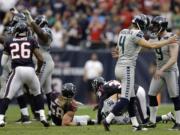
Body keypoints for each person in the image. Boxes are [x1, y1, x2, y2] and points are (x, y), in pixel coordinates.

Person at [102, 14, 178, 131]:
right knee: (126, 99)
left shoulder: (123, 31)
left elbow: (122, 48)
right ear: (140, 24)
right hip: (127, 68)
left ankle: (136, 125)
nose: (147, 28)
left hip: (120, 67)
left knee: (132, 98)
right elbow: (150, 45)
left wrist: (121, 54)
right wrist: (168, 41)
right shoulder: (137, 34)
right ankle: (107, 120)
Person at [0, 22, 49, 127]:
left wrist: (10, 69)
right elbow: (40, 58)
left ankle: (0, 119)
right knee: (37, 94)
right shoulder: (31, 40)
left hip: (17, 70)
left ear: (16, 31)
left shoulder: (9, 41)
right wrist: (38, 70)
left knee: (7, 96)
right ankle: (43, 117)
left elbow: (3, 62)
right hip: (30, 71)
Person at [92, 77, 175, 125]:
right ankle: (167, 116)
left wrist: (98, 121)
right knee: (141, 114)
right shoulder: (109, 83)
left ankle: (164, 117)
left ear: (98, 85)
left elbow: (101, 106)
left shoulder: (103, 88)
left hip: (135, 93)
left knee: (143, 121)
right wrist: (99, 105)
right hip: (136, 90)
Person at [146, 16, 180, 130]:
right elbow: (144, 46)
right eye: (154, 26)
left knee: (175, 96)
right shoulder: (154, 38)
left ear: (162, 27)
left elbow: (173, 59)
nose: (154, 28)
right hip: (160, 70)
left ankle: (179, 123)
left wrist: (161, 69)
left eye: (156, 26)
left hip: (171, 70)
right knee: (151, 94)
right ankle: (152, 121)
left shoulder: (172, 37)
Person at [24, 10, 54, 119]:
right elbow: (29, 26)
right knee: (47, 90)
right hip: (43, 60)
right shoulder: (36, 30)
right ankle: (52, 112)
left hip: (45, 60)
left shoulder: (46, 30)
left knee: (34, 87)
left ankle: (37, 113)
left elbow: (42, 34)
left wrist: (31, 18)